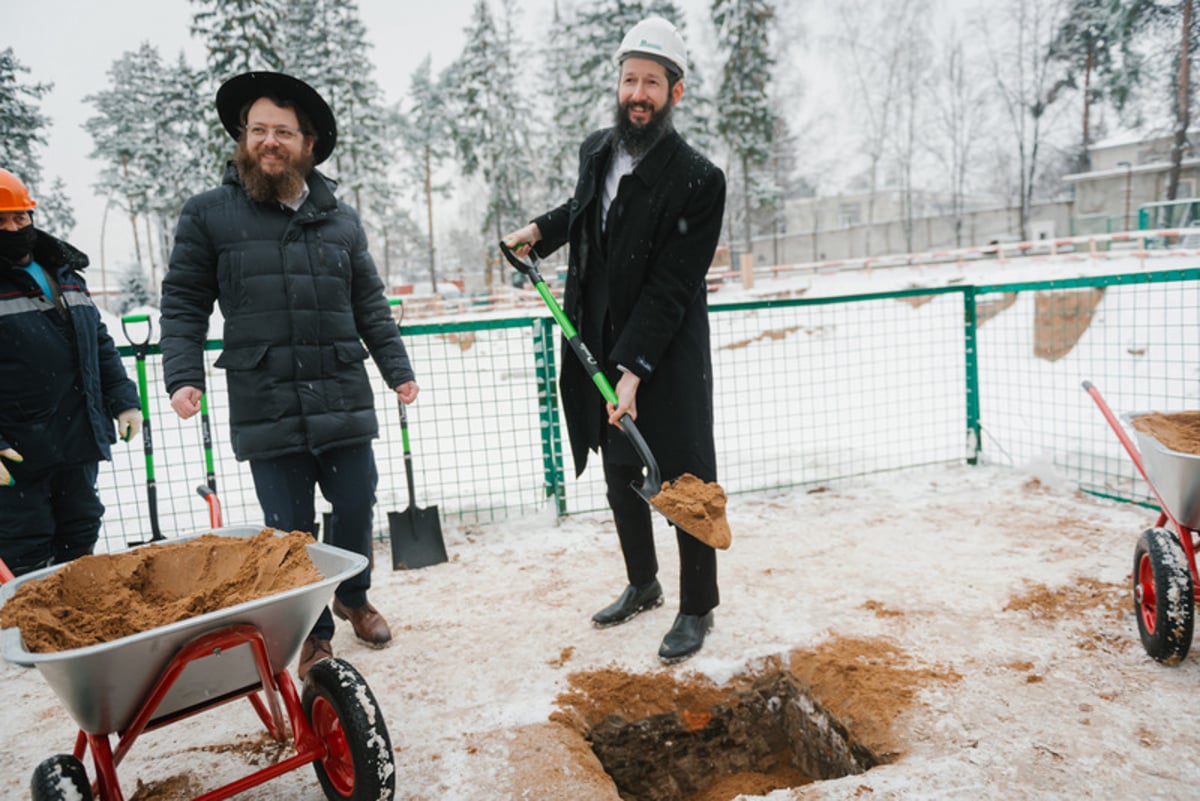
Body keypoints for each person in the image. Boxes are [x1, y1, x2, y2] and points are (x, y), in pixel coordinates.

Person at [159, 72, 418, 679]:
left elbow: (370, 306)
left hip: (339, 389)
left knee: (356, 504)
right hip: (265, 398)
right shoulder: (208, 216)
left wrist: (397, 369)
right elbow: (183, 303)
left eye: (282, 132)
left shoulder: (341, 220)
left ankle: (353, 597)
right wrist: (181, 374)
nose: (268, 142)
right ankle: (315, 632)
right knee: (290, 532)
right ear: (243, 139)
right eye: (258, 131)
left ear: (308, 144)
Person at [502, 17, 726, 663]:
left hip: (665, 354)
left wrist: (633, 368)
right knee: (621, 470)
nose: (638, 92)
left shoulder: (698, 179)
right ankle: (644, 582)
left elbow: (672, 284)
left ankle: (697, 606)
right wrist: (538, 233)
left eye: (652, 82)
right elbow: (582, 214)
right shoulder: (597, 148)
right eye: (629, 78)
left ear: (675, 93)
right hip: (596, 337)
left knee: (684, 481)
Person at [0, 168, 141, 576]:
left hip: (76, 437)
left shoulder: (64, 274)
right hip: (17, 452)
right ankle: (26, 636)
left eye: (20, 218)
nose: (13, 228)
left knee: (81, 533)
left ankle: (79, 631)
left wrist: (124, 401)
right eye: (1, 221)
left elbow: (98, 343)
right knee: (26, 549)